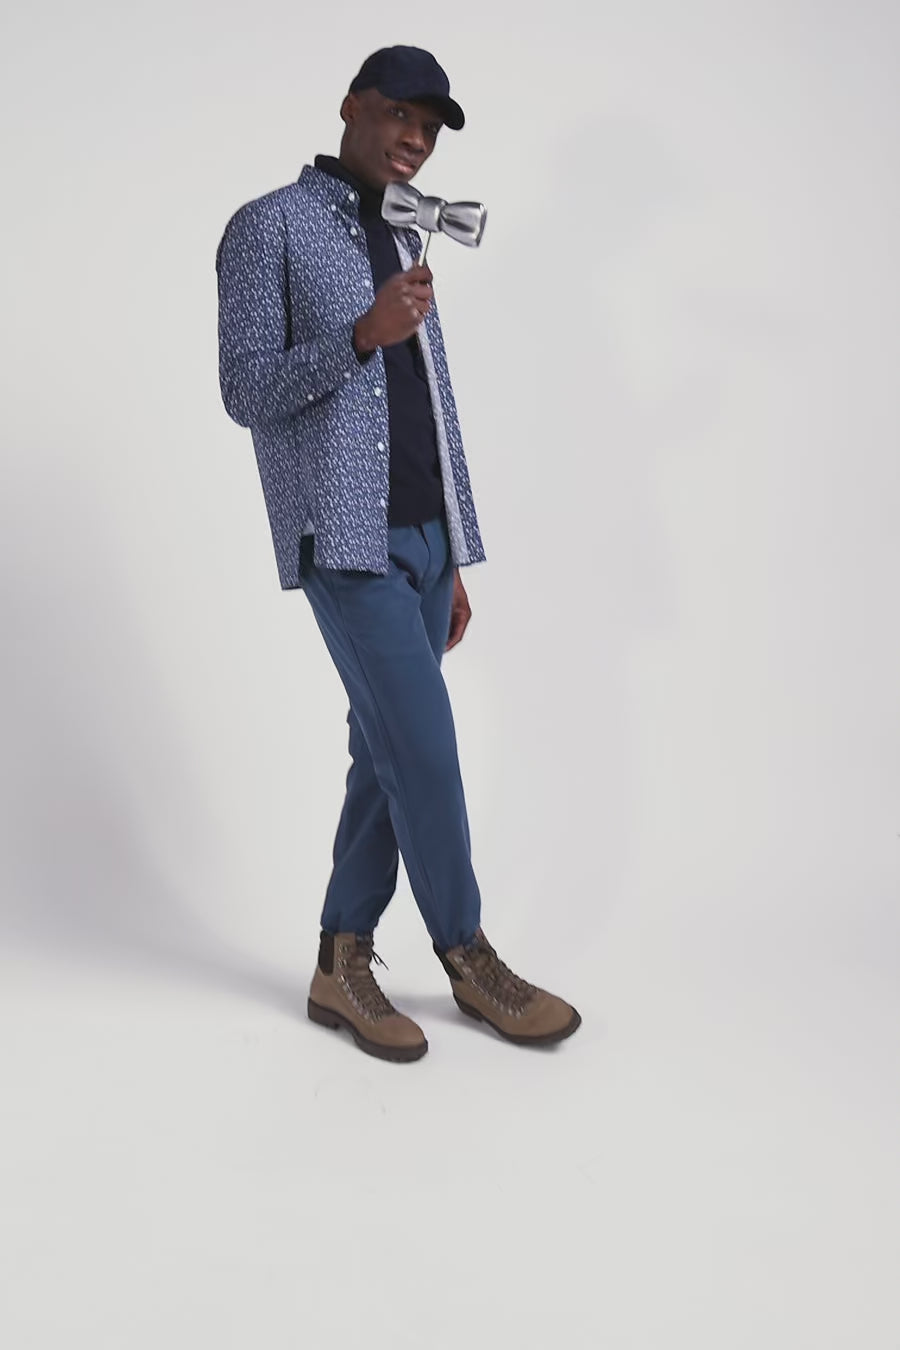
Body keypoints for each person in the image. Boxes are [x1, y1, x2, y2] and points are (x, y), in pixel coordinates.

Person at [216, 45, 580, 1062]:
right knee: (423, 747)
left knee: (384, 753)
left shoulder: (406, 228)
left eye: (431, 125)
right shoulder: (267, 227)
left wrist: (453, 549)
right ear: (351, 106)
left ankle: (341, 961)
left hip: (424, 536)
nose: (415, 138)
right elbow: (244, 390)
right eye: (400, 115)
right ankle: (469, 954)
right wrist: (360, 334)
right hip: (347, 537)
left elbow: (431, 405)